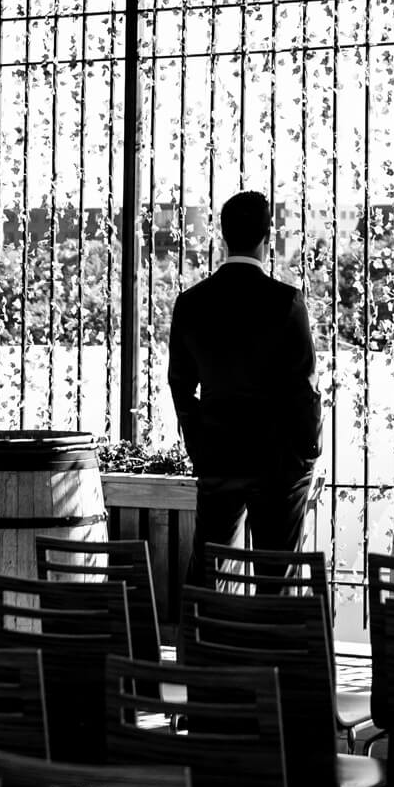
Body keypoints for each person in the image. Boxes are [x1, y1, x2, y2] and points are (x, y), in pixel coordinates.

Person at [167, 191, 322, 572]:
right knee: (275, 572)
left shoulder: (192, 303)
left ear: (223, 237)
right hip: (278, 458)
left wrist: (199, 444)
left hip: (218, 452)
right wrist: (309, 450)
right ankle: (266, 632)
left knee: (206, 566)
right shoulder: (286, 302)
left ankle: (200, 630)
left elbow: (180, 384)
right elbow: (304, 389)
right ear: (266, 240)